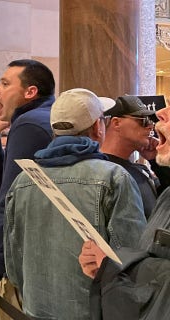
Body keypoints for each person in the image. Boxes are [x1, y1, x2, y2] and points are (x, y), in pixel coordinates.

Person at [3, 88, 146, 319]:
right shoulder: (114, 177)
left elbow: (14, 263)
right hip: (93, 312)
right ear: (96, 127)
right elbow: (131, 259)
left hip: (35, 310)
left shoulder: (23, 180)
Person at [0, 59, 56, 313]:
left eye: (5, 83)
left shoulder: (29, 123)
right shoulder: (37, 118)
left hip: (30, 267)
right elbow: (2, 187)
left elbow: (8, 201)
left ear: (30, 92)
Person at [77, 105, 170, 319]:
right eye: (141, 120)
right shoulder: (111, 174)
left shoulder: (131, 172)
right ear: (116, 123)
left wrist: (112, 267)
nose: (158, 117)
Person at [101, 95, 159, 219]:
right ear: (117, 123)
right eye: (143, 121)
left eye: (150, 121)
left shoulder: (140, 171)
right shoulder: (99, 172)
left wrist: (156, 161)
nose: (150, 126)